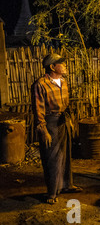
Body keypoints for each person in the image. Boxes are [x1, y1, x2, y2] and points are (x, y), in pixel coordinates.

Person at [31, 53, 82, 204]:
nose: (65, 66)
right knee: (52, 157)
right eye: (62, 63)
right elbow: (38, 110)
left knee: (65, 154)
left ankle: (67, 185)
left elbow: (65, 105)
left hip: (62, 121)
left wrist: (69, 121)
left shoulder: (63, 82)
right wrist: (43, 129)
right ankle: (51, 193)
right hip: (50, 122)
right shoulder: (40, 85)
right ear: (53, 67)